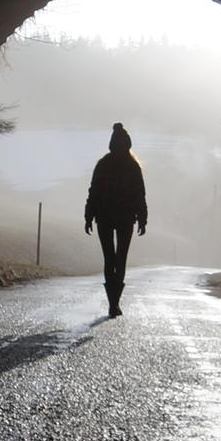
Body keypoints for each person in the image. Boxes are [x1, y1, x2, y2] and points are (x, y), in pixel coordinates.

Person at [84, 122, 147, 318]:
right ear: (128, 145)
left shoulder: (103, 164)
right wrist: (142, 219)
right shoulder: (133, 167)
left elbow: (93, 192)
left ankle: (112, 301)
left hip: (103, 218)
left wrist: (88, 216)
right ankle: (115, 303)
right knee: (120, 260)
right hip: (126, 219)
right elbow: (140, 195)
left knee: (109, 258)